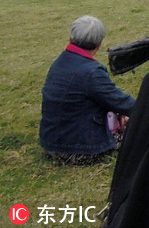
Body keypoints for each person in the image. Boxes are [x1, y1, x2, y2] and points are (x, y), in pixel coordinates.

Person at [39, 15, 135, 164]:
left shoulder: (59, 62)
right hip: (78, 149)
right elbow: (122, 103)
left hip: (51, 143)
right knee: (140, 129)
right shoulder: (92, 72)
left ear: (71, 38)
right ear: (99, 43)